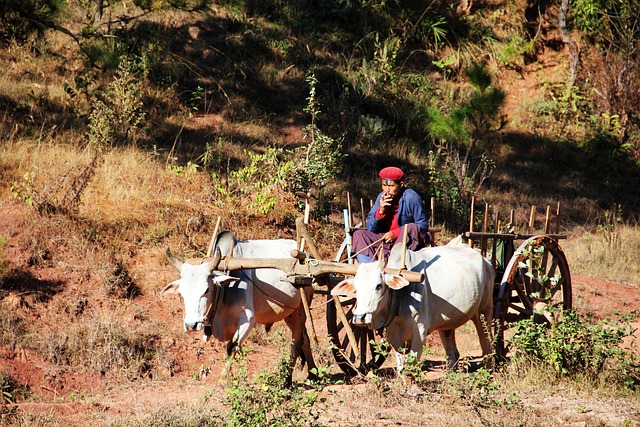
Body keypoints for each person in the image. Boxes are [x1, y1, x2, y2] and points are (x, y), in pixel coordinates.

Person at [351, 166, 430, 263]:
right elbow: (370, 227)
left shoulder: (412, 197)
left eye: (391, 186)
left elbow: (422, 225)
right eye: (384, 185)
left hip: (406, 241)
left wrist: (395, 234)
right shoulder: (381, 197)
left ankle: (393, 263)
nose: (387, 189)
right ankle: (371, 267)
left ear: (401, 184)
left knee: (411, 227)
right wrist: (381, 211)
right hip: (386, 239)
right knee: (359, 234)